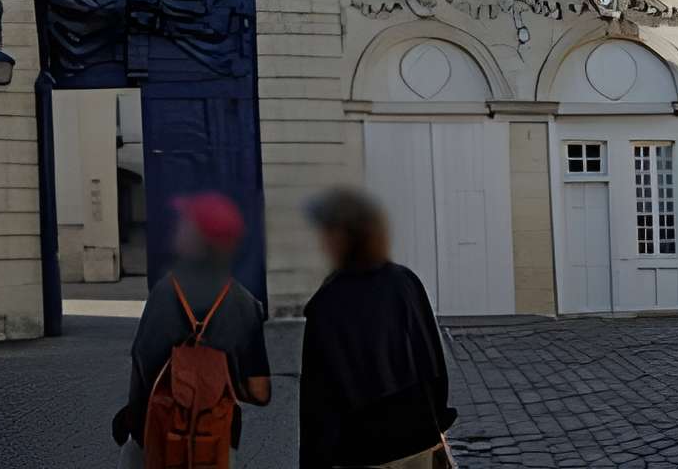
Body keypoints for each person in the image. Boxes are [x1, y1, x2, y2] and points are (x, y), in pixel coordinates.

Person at [298, 187, 458, 469]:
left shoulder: (327, 302)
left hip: (362, 447)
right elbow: (432, 361)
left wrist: (313, 461)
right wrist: (436, 420)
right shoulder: (405, 282)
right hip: (418, 436)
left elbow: (318, 401)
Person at [114, 191, 272, 467]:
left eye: (187, 225)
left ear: (202, 241)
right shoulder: (245, 304)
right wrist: (217, 382)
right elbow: (260, 392)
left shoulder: (165, 293)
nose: (179, 230)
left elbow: (143, 368)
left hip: (159, 439)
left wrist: (131, 425)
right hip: (215, 445)